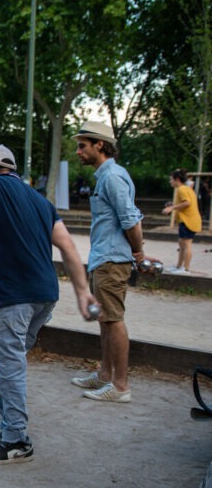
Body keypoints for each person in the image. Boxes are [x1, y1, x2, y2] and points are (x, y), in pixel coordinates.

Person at [0, 144, 95, 465]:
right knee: (5, 359)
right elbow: (68, 245)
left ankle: (16, 440)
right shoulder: (40, 200)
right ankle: (7, 426)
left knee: (10, 364)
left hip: (18, 295)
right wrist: (83, 292)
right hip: (45, 295)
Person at [71, 121, 152, 403]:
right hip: (103, 259)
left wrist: (139, 253)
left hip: (112, 260)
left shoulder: (112, 177)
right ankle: (105, 375)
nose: (78, 151)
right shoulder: (106, 176)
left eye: (82, 146)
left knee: (114, 321)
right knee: (105, 320)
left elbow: (131, 219)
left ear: (100, 145)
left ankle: (120, 386)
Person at [162, 168, 202, 274]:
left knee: (186, 244)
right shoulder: (186, 188)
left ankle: (186, 269)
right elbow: (185, 204)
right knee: (181, 243)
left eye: (171, 179)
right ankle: (179, 266)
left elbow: (187, 203)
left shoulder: (182, 189)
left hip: (189, 220)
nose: (170, 181)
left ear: (177, 179)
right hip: (186, 220)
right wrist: (173, 205)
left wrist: (171, 208)